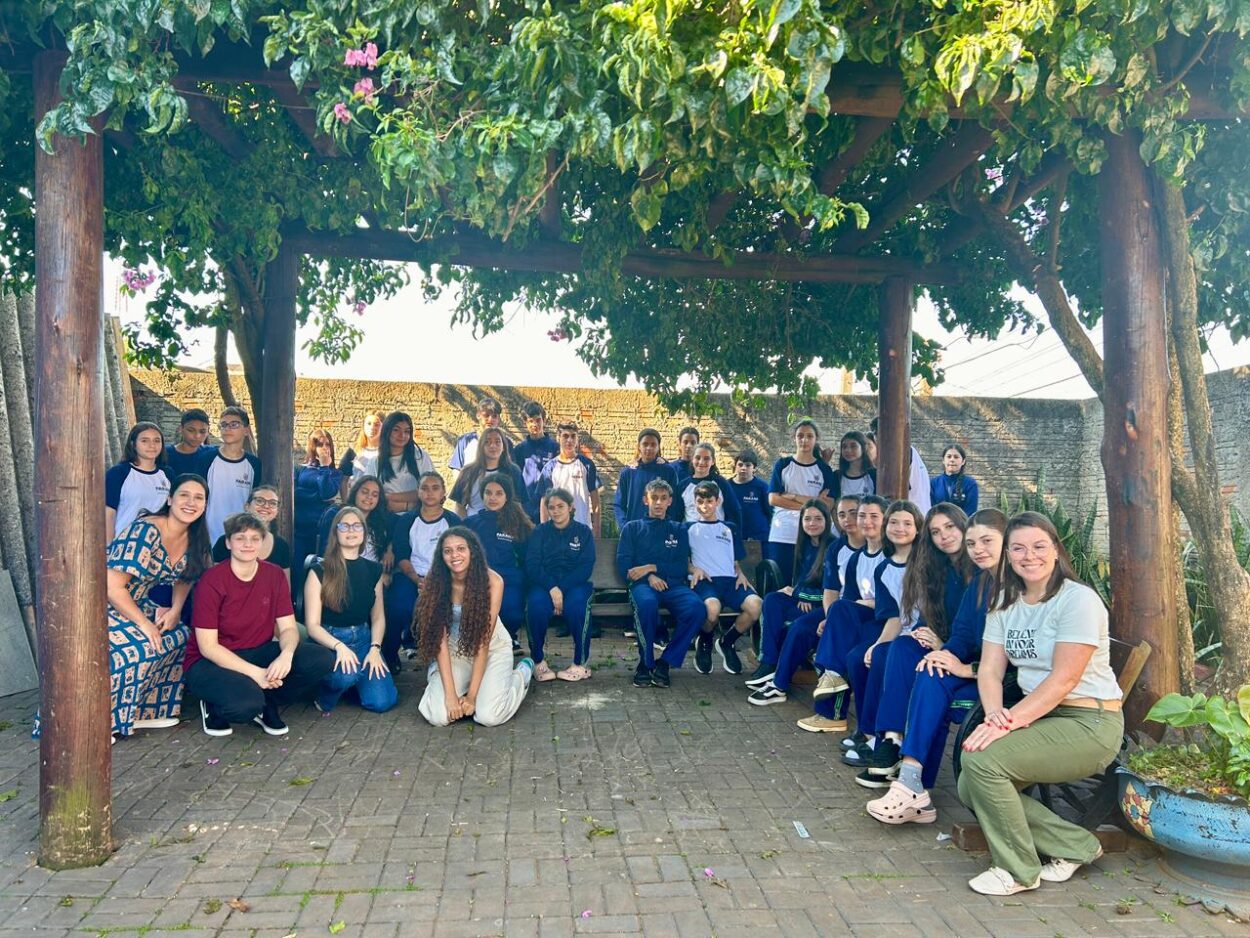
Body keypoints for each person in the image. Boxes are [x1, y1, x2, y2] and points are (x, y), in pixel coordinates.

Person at [957, 511, 1122, 896]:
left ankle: (1018, 870)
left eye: (1038, 546)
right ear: (1007, 556)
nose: (1028, 556)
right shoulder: (1004, 601)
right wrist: (995, 714)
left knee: (982, 764)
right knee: (969, 785)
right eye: (1018, 548)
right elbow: (990, 671)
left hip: (1089, 722)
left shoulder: (1078, 600)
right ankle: (1076, 845)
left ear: (1055, 550)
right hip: (1040, 715)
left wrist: (1007, 723)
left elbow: (1064, 679)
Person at [866, 508, 1008, 825]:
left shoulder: (1019, 586)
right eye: (973, 544)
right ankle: (913, 782)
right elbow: (962, 632)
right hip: (975, 667)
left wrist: (964, 666)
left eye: (986, 541)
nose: (978, 550)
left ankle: (913, 778)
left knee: (934, 675)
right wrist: (945, 655)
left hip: (1002, 681)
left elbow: (1020, 659)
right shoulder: (981, 583)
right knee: (929, 668)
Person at [47, 474, 211, 741]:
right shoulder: (146, 530)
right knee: (132, 648)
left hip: (137, 601)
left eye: (198, 497)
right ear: (170, 499)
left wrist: (174, 610)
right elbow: (112, 587)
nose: (191, 502)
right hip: (102, 603)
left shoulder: (194, 537)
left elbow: (185, 577)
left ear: (205, 505)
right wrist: (144, 624)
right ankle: (94, 722)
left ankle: (146, 711)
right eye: (184, 495)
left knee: (178, 635)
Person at [851, 503, 973, 789]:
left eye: (950, 527)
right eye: (936, 532)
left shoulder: (979, 570)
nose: (943, 536)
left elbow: (976, 630)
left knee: (925, 672)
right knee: (902, 647)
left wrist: (944, 646)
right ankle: (891, 740)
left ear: (963, 526)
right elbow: (927, 614)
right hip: (946, 643)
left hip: (969, 655)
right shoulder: (937, 569)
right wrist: (924, 632)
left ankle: (916, 778)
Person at [186, 512, 335, 737]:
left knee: (320, 659)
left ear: (262, 543)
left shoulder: (273, 575)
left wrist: (285, 655)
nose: (248, 544)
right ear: (228, 543)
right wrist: (257, 674)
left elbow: (287, 628)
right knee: (245, 706)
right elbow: (208, 646)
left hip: (256, 650)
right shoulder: (212, 580)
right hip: (211, 661)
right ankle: (214, 703)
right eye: (240, 538)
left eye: (255, 539)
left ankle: (268, 699)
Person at [416, 527, 534, 726]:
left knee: (488, 716)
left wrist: (471, 697)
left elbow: (483, 642)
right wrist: (451, 696)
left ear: (472, 551)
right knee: (439, 717)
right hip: (455, 649)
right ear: (441, 555)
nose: (455, 555)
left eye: (461, 548)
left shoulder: (493, 582)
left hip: (491, 648)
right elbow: (440, 641)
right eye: (448, 551)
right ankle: (439, 675)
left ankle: (520, 675)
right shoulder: (435, 581)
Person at [303, 506, 397, 714]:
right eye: (344, 526)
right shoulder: (320, 570)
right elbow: (312, 626)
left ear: (364, 532)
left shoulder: (374, 570)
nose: (351, 530)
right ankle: (325, 695)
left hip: (363, 639)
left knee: (382, 702)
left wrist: (375, 648)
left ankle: (354, 683)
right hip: (330, 639)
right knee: (346, 675)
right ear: (336, 532)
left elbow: (379, 617)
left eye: (356, 525)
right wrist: (339, 647)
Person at [808, 495, 889, 734]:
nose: (866, 521)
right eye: (862, 515)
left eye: (873, 516)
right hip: (865, 620)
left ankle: (840, 715)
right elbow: (848, 599)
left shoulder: (892, 555)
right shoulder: (855, 559)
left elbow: (897, 603)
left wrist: (862, 605)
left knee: (846, 652)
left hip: (889, 622)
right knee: (845, 645)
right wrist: (832, 619)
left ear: (885, 520)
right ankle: (834, 714)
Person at [616, 479, 708, 688]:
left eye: (663, 499)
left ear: (670, 501)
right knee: (647, 605)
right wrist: (648, 577)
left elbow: (680, 566)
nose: (658, 503)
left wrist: (652, 567)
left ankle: (665, 662)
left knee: (697, 609)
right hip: (642, 586)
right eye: (654, 498)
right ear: (645, 500)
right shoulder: (632, 528)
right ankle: (645, 664)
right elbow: (625, 565)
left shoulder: (678, 529)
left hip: (674, 586)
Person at [746, 500, 836, 705]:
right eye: (807, 519)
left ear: (827, 520)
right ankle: (768, 661)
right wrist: (799, 593)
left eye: (818, 518)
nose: (812, 523)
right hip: (803, 600)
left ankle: (780, 682)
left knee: (798, 627)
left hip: (824, 607)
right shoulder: (804, 545)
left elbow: (832, 588)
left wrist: (804, 595)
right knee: (772, 600)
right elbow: (802, 581)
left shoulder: (832, 546)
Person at [793, 493, 867, 732]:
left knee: (840, 646)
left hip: (877, 618)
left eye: (854, 513)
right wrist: (830, 617)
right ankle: (831, 714)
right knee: (834, 630)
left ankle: (832, 715)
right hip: (846, 614)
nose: (847, 519)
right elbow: (831, 590)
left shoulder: (879, 549)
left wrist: (836, 617)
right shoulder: (837, 548)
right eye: (842, 514)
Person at [687, 481, 762, 676]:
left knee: (756, 606)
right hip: (705, 582)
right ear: (694, 502)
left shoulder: (730, 528)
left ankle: (727, 642)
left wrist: (741, 573)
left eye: (709, 501)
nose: (705, 506)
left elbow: (735, 559)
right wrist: (693, 568)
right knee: (712, 610)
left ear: (718, 501)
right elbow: (681, 560)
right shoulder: (688, 528)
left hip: (730, 581)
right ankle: (705, 640)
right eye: (700, 501)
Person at [525, 488, 597, 681]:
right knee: (536, 606)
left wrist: (561, 590)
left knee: (577, 607)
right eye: (551, 507)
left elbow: (585, 567)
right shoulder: (540, 532)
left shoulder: (583, 533)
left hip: (576, 584)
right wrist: (552, 588)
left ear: (570, 507)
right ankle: (538, 662)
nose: (556, 511)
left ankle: (580, 664)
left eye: (560, 506)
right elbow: (532, 564)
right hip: (544, 584)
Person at [389, 472, 461, 662]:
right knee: (398, 607)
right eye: (425, 488)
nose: (430, 493)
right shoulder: (407, 520)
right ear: (418, 493)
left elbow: (460, 557)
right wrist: (417, 579)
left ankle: (446, 655)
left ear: (443, 492)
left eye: (435, 488)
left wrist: (438, 580)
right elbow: (402, 555)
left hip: (445, 578)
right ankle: (392, 654)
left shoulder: (453, 522)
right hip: (411, 576)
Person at [464, 472, 533, 651]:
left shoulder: (518, 523)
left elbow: (526, 558)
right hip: (478, 581)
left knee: (511, 614)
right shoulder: (470, 524)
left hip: (509, 581)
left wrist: (524, 581)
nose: (493, 497)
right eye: (488, 493)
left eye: (498, 493)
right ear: (482, 495)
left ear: (507, 496)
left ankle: (509, 638)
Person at [766, 419, 836, 580]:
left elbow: (827, 504)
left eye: (809, 436)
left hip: (812, 533)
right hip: (783, 532)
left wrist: (794, 496)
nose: (804, 440)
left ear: (816, 439)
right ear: (794, 438)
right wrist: (813, 503)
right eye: (800, 436)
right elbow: (774, 499)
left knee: (807, 582)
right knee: (780, 582)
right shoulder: (783, 464)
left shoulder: (824, 469)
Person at [199, 406, 262, 543]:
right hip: (209, 537)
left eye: (234, 424)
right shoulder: (206, 459)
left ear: (246, 430)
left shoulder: (254, 464)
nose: (227, 428)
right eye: (224, 425)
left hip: (241, 537)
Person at [293, 429, 344, 594]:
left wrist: (324, 467)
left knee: (316, 572)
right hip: (298, 529)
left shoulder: (334, 473)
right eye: (320, 444)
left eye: (327, 444)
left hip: (320, 531)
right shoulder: (300, 470)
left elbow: (327, 492)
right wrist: (315, 496)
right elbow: (294, 494)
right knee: (297, 571)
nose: (324, 448)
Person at [106, 422, 173, 540]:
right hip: (123, 546)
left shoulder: (168, 474)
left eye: (157, 440)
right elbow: (109, 514)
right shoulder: (118, 473)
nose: (152, 445)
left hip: (158, 547)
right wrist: (108, 548)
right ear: (133, 444)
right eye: (144, 441)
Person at [212, 484, 292, 582]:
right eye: (259, 501)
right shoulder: (225, 541)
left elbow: (285, 588)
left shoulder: (281, 546)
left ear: (277, 512)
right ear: (247, 506)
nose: (266, 506)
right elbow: (213, 580)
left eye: (272, 503)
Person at [536, 422, 602, 536]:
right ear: (558, 438)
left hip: (582, 528)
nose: (569, 440)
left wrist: (597, 530)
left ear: (577, 439)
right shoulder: (549, 468)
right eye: (565, 436)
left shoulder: (587, 465)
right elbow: (544, 502)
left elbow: (595, 501)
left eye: (573, 436)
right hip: (556, 531)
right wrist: (544, 531)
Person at [450, 426, 527, 518]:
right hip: (474, 524)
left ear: (504, 447)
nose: (493, 446)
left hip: (504, 524)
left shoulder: (513, 471)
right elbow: (459, 506)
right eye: (487, 442)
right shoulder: (468, 472)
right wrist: (466, 527)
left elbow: (518, 504)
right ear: (481, 446)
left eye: (497, 442)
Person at [318, 475, 394, 564]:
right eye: (365, 492)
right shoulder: (336, 513)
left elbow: (398, 528)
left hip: (372, 573)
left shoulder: (381, 520)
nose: (369, 497)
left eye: (375, 495)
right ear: (355, 492)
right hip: (339, 568)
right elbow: (327, 548)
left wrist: (389, 550)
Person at [613, 428, 679, 530]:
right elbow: (619, 504)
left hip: (660, 530)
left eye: (653, 445)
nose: (649, 448)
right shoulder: (628, 473)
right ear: (639, 446)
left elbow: (674, 504)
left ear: (658, 447)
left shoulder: (668, 471)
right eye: (645, 444)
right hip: (634, 531)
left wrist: (668, 526)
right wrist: (624, 527)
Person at [376, 410, 434, 514]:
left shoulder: (420, 457)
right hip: (385, 519)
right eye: (396, 430)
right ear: (387, 431)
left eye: (407, 431)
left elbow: (430, 492)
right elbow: (372, 494)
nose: (402, 435)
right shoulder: (376, 461)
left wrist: (391, 498)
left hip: (416, 517)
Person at [869, 416, 930, 514]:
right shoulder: (910, 451)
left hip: (910, 513)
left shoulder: (900, 453)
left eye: (876, 434)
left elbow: (895, 489)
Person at [674, 442, 742, 528]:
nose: (701, 462)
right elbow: (676, 516)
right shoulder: (682, 486)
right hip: (691, 537)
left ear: (713, 461)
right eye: (698, 458)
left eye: (706, 458)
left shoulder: (721, 483)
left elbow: (734, 512)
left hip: (717, 536)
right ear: (692, 459)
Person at [513, 401, 560, 521]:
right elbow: (515, 480)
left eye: (538, 420)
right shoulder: (519, 450)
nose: (535, 424)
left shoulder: (555, 448)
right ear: (525, 423)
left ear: (544, 420)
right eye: (530, 421)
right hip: (525, 510)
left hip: (549, 508)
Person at [449, 396, 512, 476]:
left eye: (494, 416)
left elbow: (511, 472)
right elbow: (457, 469)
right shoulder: (465, 441)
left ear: (498, 419)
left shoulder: (506, 443)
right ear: (478, 415)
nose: (490, 419)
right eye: (486, 415)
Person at [337, 410, 386, 499]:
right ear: (363, 426)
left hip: (377, 501)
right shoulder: (354, 451)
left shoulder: (387, 452)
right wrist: (345, 502)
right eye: (369, 423)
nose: (372, 427)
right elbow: (344, 478)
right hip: (355, 501)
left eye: (376, 424)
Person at [726, 449, 771, 545]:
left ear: (754, 468)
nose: (743, 468)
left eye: (748, 465)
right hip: (734, 536)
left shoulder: (762, 487)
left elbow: (770, 512)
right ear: (735, 466)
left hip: (758, 538)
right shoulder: (727, 486)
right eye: (740, 464)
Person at [931, 443, 980, 515]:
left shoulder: (970, 484)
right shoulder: (933, 483)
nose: (952, 460)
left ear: (963, 461)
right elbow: (931, 509)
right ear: (943, 460)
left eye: (956, 457)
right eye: (949, 456)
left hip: (962, 525)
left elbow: (970, 512)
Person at [164, 408, 211, 477]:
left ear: (208, 432)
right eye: (191, 430)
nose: (197, 436)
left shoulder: (210, 454)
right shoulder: (165, 453)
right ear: (181, 428)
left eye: (202, 431)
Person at [830, 431, 876, 499]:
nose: (848, 450)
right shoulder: (837, 476)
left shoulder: (874, 475)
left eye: (853, 446)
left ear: (864, 448)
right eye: (844, 447)